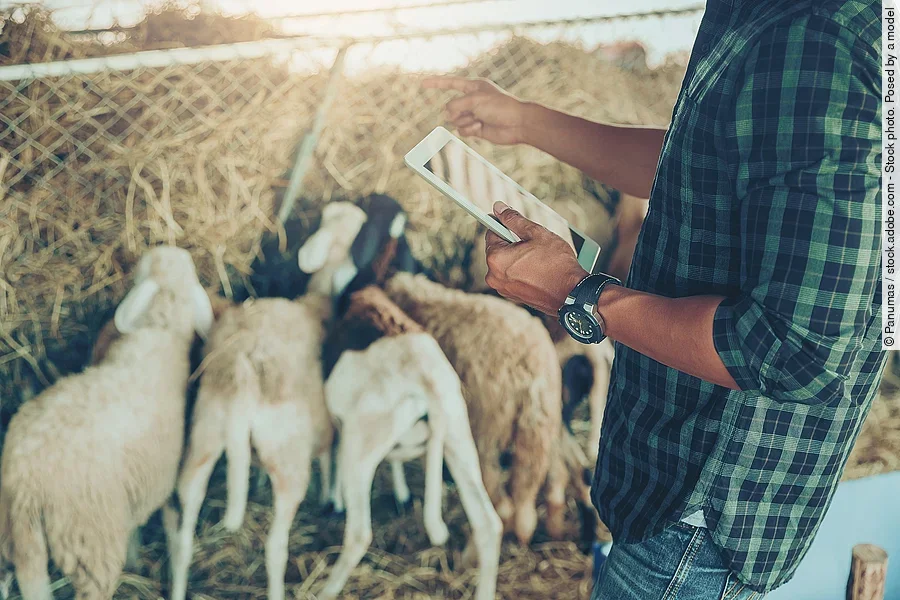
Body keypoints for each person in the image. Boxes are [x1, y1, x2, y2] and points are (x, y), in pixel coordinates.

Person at [423, 1, 883, 598]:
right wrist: (526, 122)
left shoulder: (824, 39)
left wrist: (574, 291)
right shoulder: (778, 20)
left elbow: (795, 350)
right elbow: (711, 166)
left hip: (701, 509)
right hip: (675, 491)